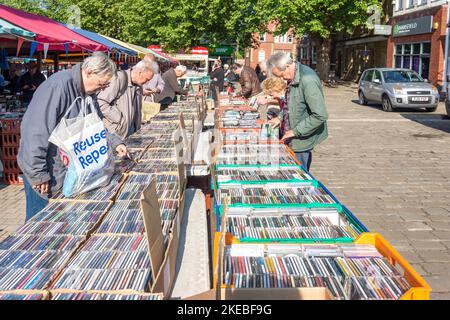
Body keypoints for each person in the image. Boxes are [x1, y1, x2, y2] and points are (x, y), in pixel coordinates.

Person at [17, 52, 128, 221]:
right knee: (39, 227)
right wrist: (38, 174)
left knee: (61, 225)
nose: (103, 89)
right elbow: (35, 131)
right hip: (47, 173)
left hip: (69, 174)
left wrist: (114, 142)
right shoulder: (58, 86)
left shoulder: (89, 94)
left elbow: (94, 128)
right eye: (101, 84)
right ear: (89, 72)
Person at [266, 52, 328, 172]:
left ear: (287, 66)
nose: (282, 79)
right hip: (293, 137)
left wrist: (295, 131)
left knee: (299, 175)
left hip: (301, 141)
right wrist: (280, 117)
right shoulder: (293, 76)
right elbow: (291, 104)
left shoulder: (308, 80)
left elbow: (320, 115)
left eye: (282, 75)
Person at [97, 59, 156, 140]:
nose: (147, 82)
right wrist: (119, 119)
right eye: (147, 79)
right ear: (140, 73)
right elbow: (100, 102)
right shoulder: (119, 78)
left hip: (131, 131)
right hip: (116, 133)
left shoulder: (139, 85)